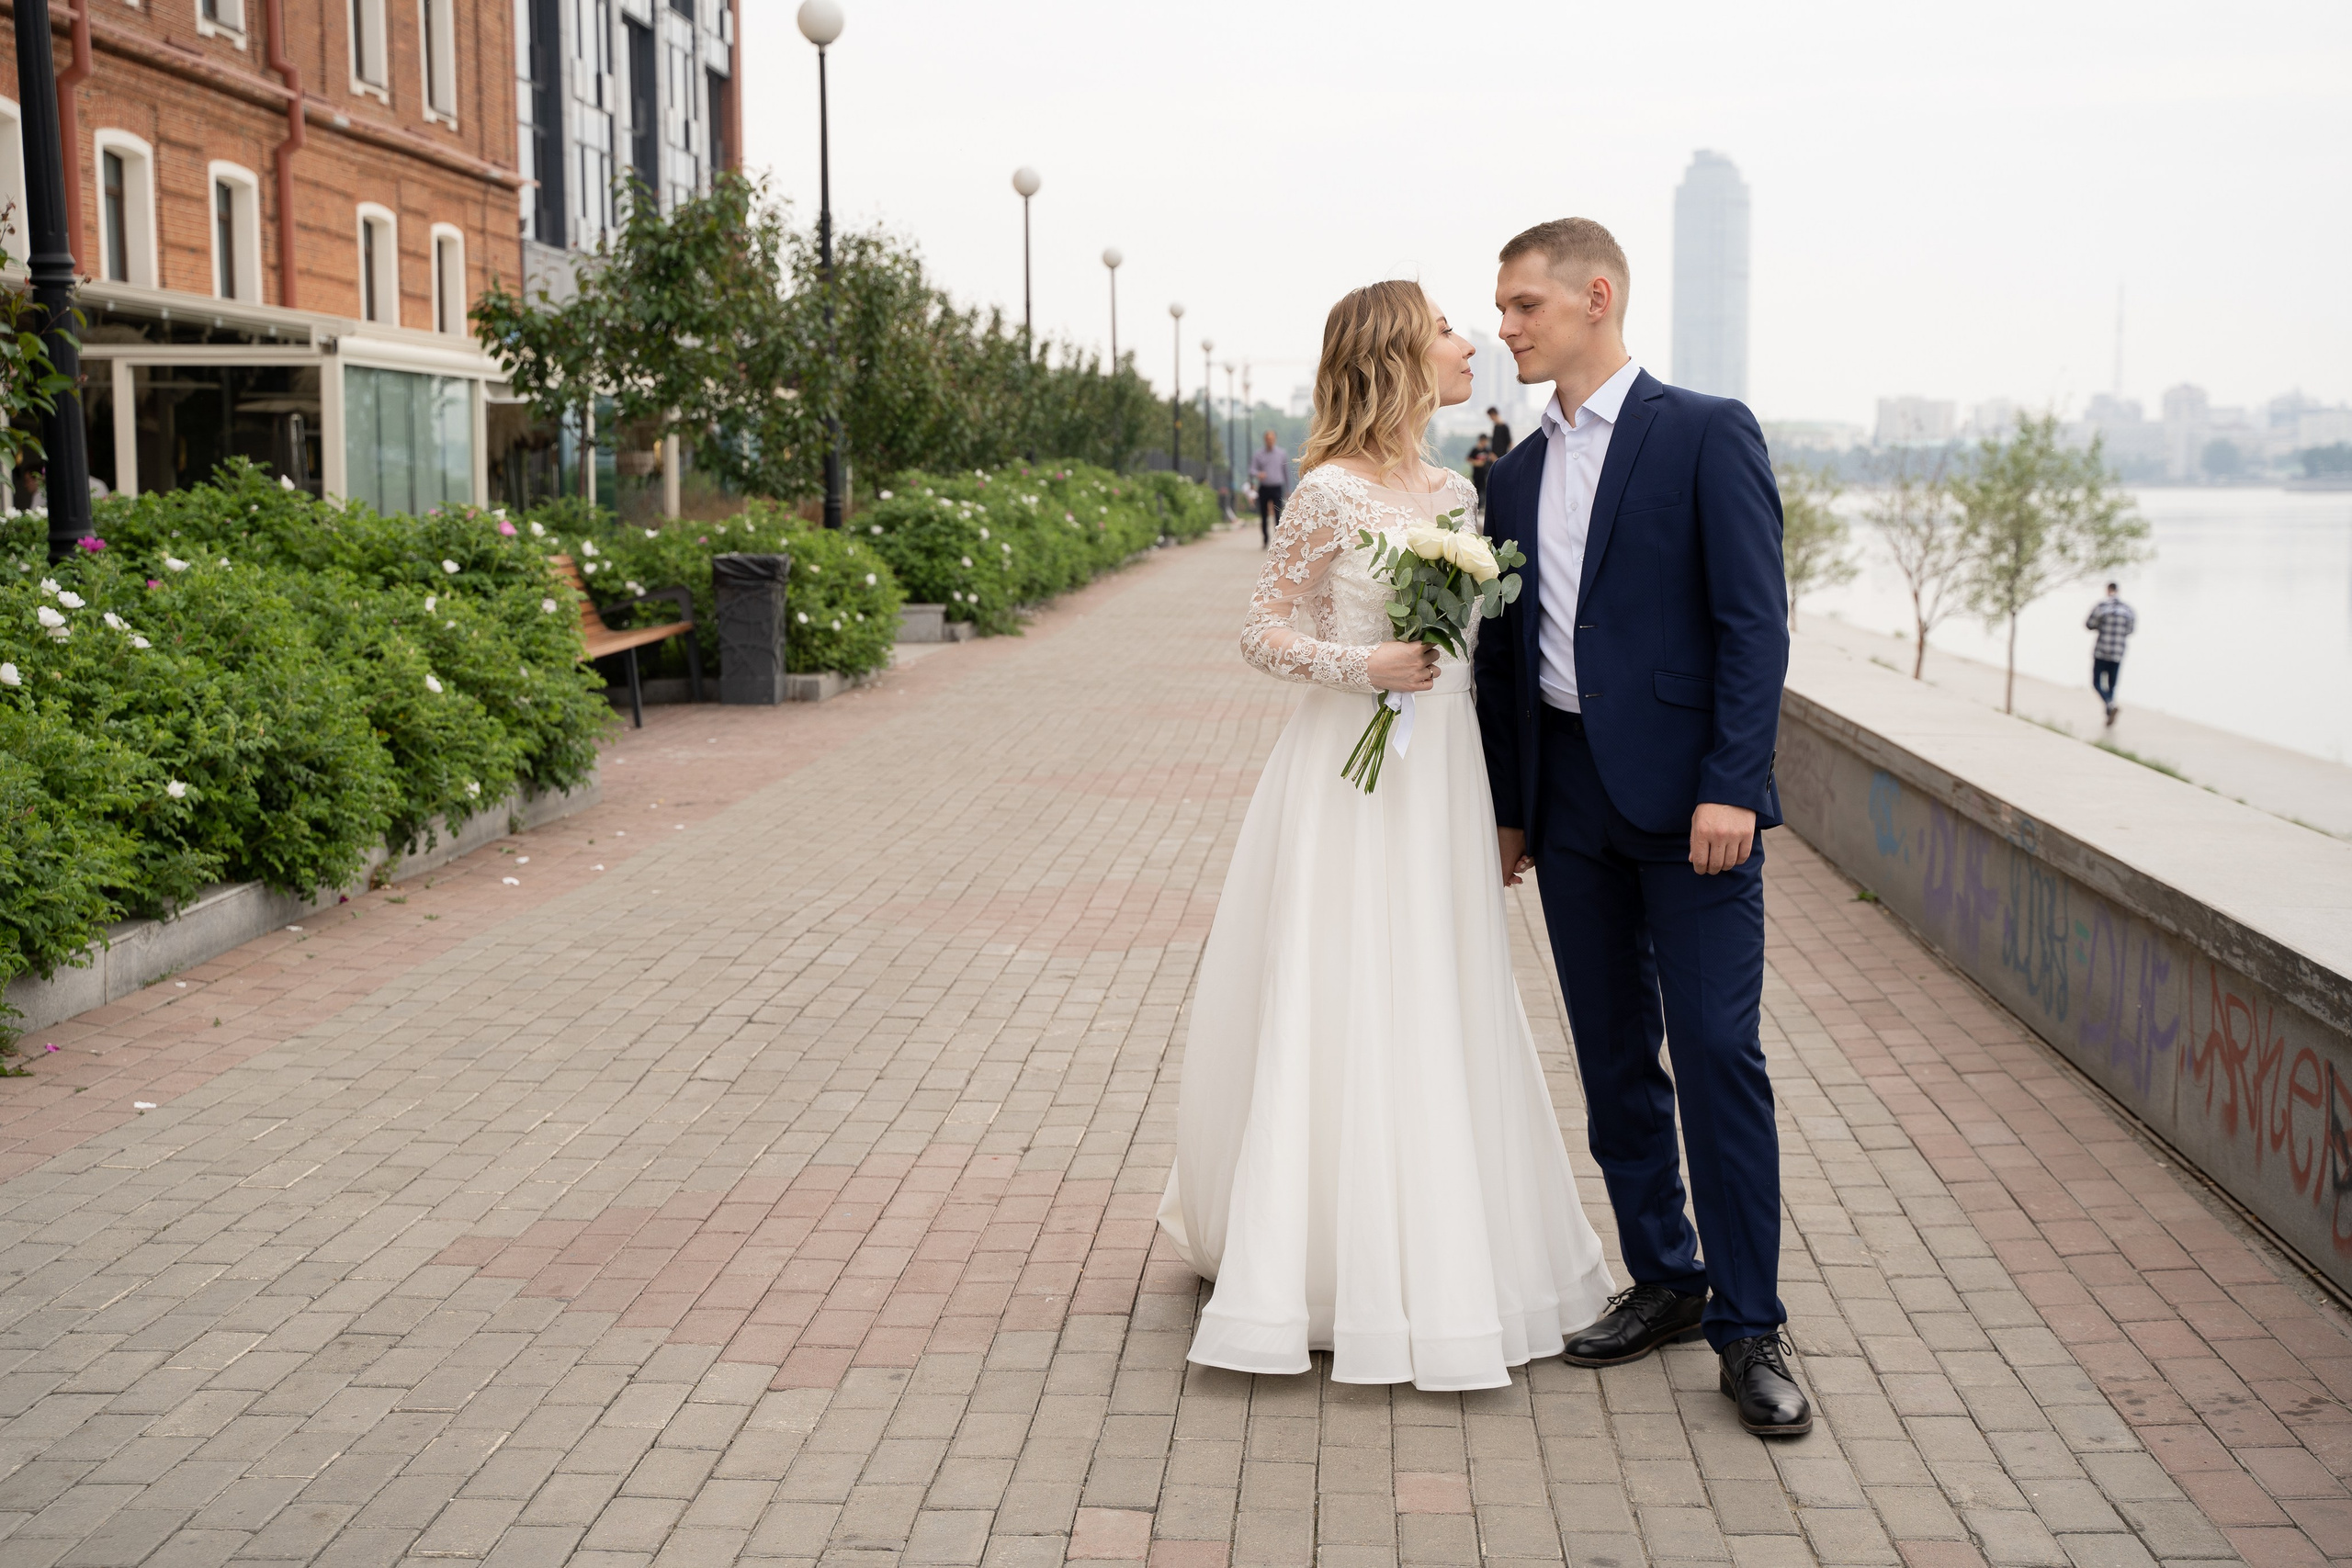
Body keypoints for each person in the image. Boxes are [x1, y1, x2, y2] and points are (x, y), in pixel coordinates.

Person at [1159, 280, 1614, 1393]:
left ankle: (1447, 1248)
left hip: (1444, 772)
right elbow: (1260, 629)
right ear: (1400, 355)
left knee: (1439, 991)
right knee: (1341, 989)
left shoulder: (1462, 493)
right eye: (1452, 329)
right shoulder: (1325, 494)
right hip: (1348, 775)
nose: (1473, 344)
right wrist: (1360, 668)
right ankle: (1312, 1261)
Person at [1473, 218, 1806, 1437]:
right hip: (1568, 806)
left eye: (1522, 306)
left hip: (1693, 807)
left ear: (1594, 296)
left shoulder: (1706, 430)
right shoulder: (1508, 472)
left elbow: (1755, 625)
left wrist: (1734, 780)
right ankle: (1665, 1275)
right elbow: (1507, 656)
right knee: (1613, 1056)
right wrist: (1513, 807)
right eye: (1502, 309)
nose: (1505, 327)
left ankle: (1751, 1320)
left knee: (1719, 1053)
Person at [2086, 582, 2135, 724]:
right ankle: (2110, 707)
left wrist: (2102, 627)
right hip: (2118, 652)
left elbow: (2089, 624)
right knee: (2112, 685)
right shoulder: (2128, 610)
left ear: (2108, 590)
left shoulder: (2101, 607)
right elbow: (2130, 630)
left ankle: (2109, 705)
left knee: (2096, 682)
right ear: (2118, 590)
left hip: (2101, 651)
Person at [1248, 430, 1290, 547]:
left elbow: (1286, 472)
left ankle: (1278, 540)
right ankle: (1265, 538)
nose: (1270, 441)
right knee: (1264, 515)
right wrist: (1258, 474)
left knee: (1278, 514)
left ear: (1275, 439)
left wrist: (1288, 489)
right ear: (1265, 440)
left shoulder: (1281, 453)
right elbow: (1251, 469)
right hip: (1264, 487)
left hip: (1277, 487)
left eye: (1271, 439)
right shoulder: (1259, 454)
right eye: (1267, 439)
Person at [1467, 434, 1494, 513]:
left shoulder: (1487, 450)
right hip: (1477, 474)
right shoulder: (1475, 450)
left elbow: (1493, 457)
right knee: (1478, 490)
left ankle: (1483, 506)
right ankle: (1477, 506)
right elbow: (1468, 459)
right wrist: (1476, 462)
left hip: (1485, 473)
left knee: (1484, 490)